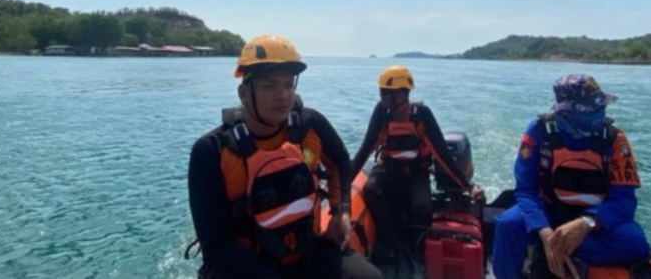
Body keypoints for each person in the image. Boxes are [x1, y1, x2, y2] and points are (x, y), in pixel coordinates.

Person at [188, 35, 381, 279]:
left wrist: (340, 210)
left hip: (307, 251)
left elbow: (341, 161)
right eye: (270, 86)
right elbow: (217, 248)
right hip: (247, 267)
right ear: (244, 93)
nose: (283, 95)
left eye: (289, 85)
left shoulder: (310, 126)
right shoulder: (212, 151)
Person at [491, 74, 651, 279]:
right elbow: (525, 190)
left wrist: (586, 223)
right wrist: (545, 232)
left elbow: (624, 200)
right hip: (548, 210)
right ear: (565, 110)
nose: (599, 112)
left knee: (635, 243)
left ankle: (557, 254)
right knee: (507, 226)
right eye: (590, 109)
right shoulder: (539, 131)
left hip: (595, 219)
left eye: (600, 106)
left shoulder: (615, 140)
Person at [350, 65, 484, 266]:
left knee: (422, 208)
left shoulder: (421, 115)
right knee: (371, 189)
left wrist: (468, 186)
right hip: (389, 169)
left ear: (403, 94)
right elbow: (365, 149)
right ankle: (394, 245)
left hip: (416, 172)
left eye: (389, 96)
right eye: (383, 95)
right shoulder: (381, 113)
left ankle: (416, 250)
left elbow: (442, 153)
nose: (385, 101)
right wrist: (343, 182)